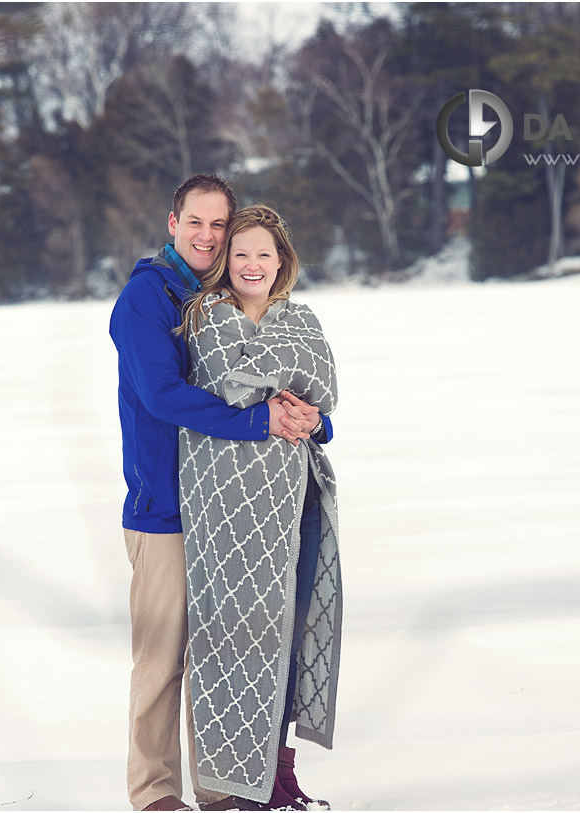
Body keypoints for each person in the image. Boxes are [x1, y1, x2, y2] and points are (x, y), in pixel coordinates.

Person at [109, 175, 334, 812]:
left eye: (218, 226)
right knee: (162, 660)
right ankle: (155, 795)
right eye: (196, 223)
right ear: (172, 221)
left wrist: (310, 419)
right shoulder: (145, 300)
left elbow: (270, 379)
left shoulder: (219, 296)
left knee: (221, 655)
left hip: (229, 510)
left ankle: (224, 789)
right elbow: (163, 395)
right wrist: (260, 421)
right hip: (165, 507)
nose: (207, 236)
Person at [177, 205, 342, 811]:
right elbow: (233, 386)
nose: (251, 264)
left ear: (282, 263)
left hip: (297, 500)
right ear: (224, 263)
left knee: (294, 635)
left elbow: (322, 385)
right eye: (239, 253)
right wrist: (288, 392)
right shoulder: (209, 319)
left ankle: (281, 775)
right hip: (232, 510)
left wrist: (312, 415)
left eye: (263, 255)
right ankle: (242, 785)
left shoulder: (300, 319)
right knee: (241, 638)